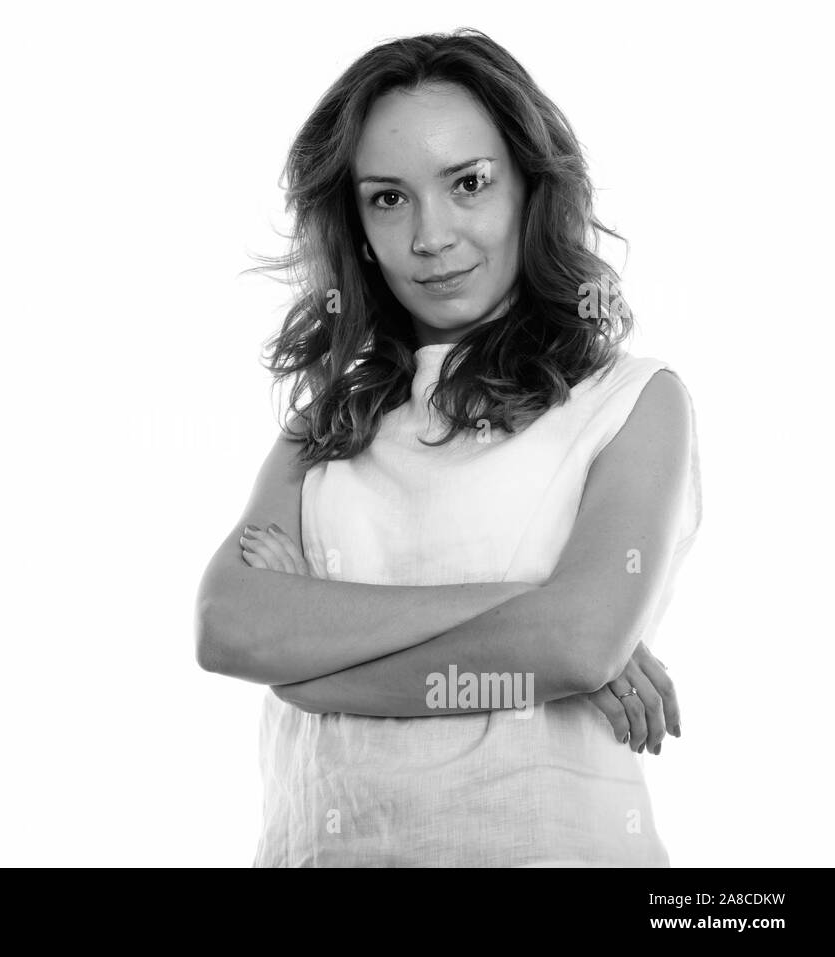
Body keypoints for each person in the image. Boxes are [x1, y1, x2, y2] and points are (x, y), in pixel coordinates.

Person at [193, 28, 702, 867]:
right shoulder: (326, 423)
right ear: (354, 224)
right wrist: (535, 613)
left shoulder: (631, 402)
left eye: (468, 184)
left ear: (529, 189)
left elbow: (576, 641)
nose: (432, 235)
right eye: (388, 198)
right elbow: (227, 625)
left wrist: (314, 665)